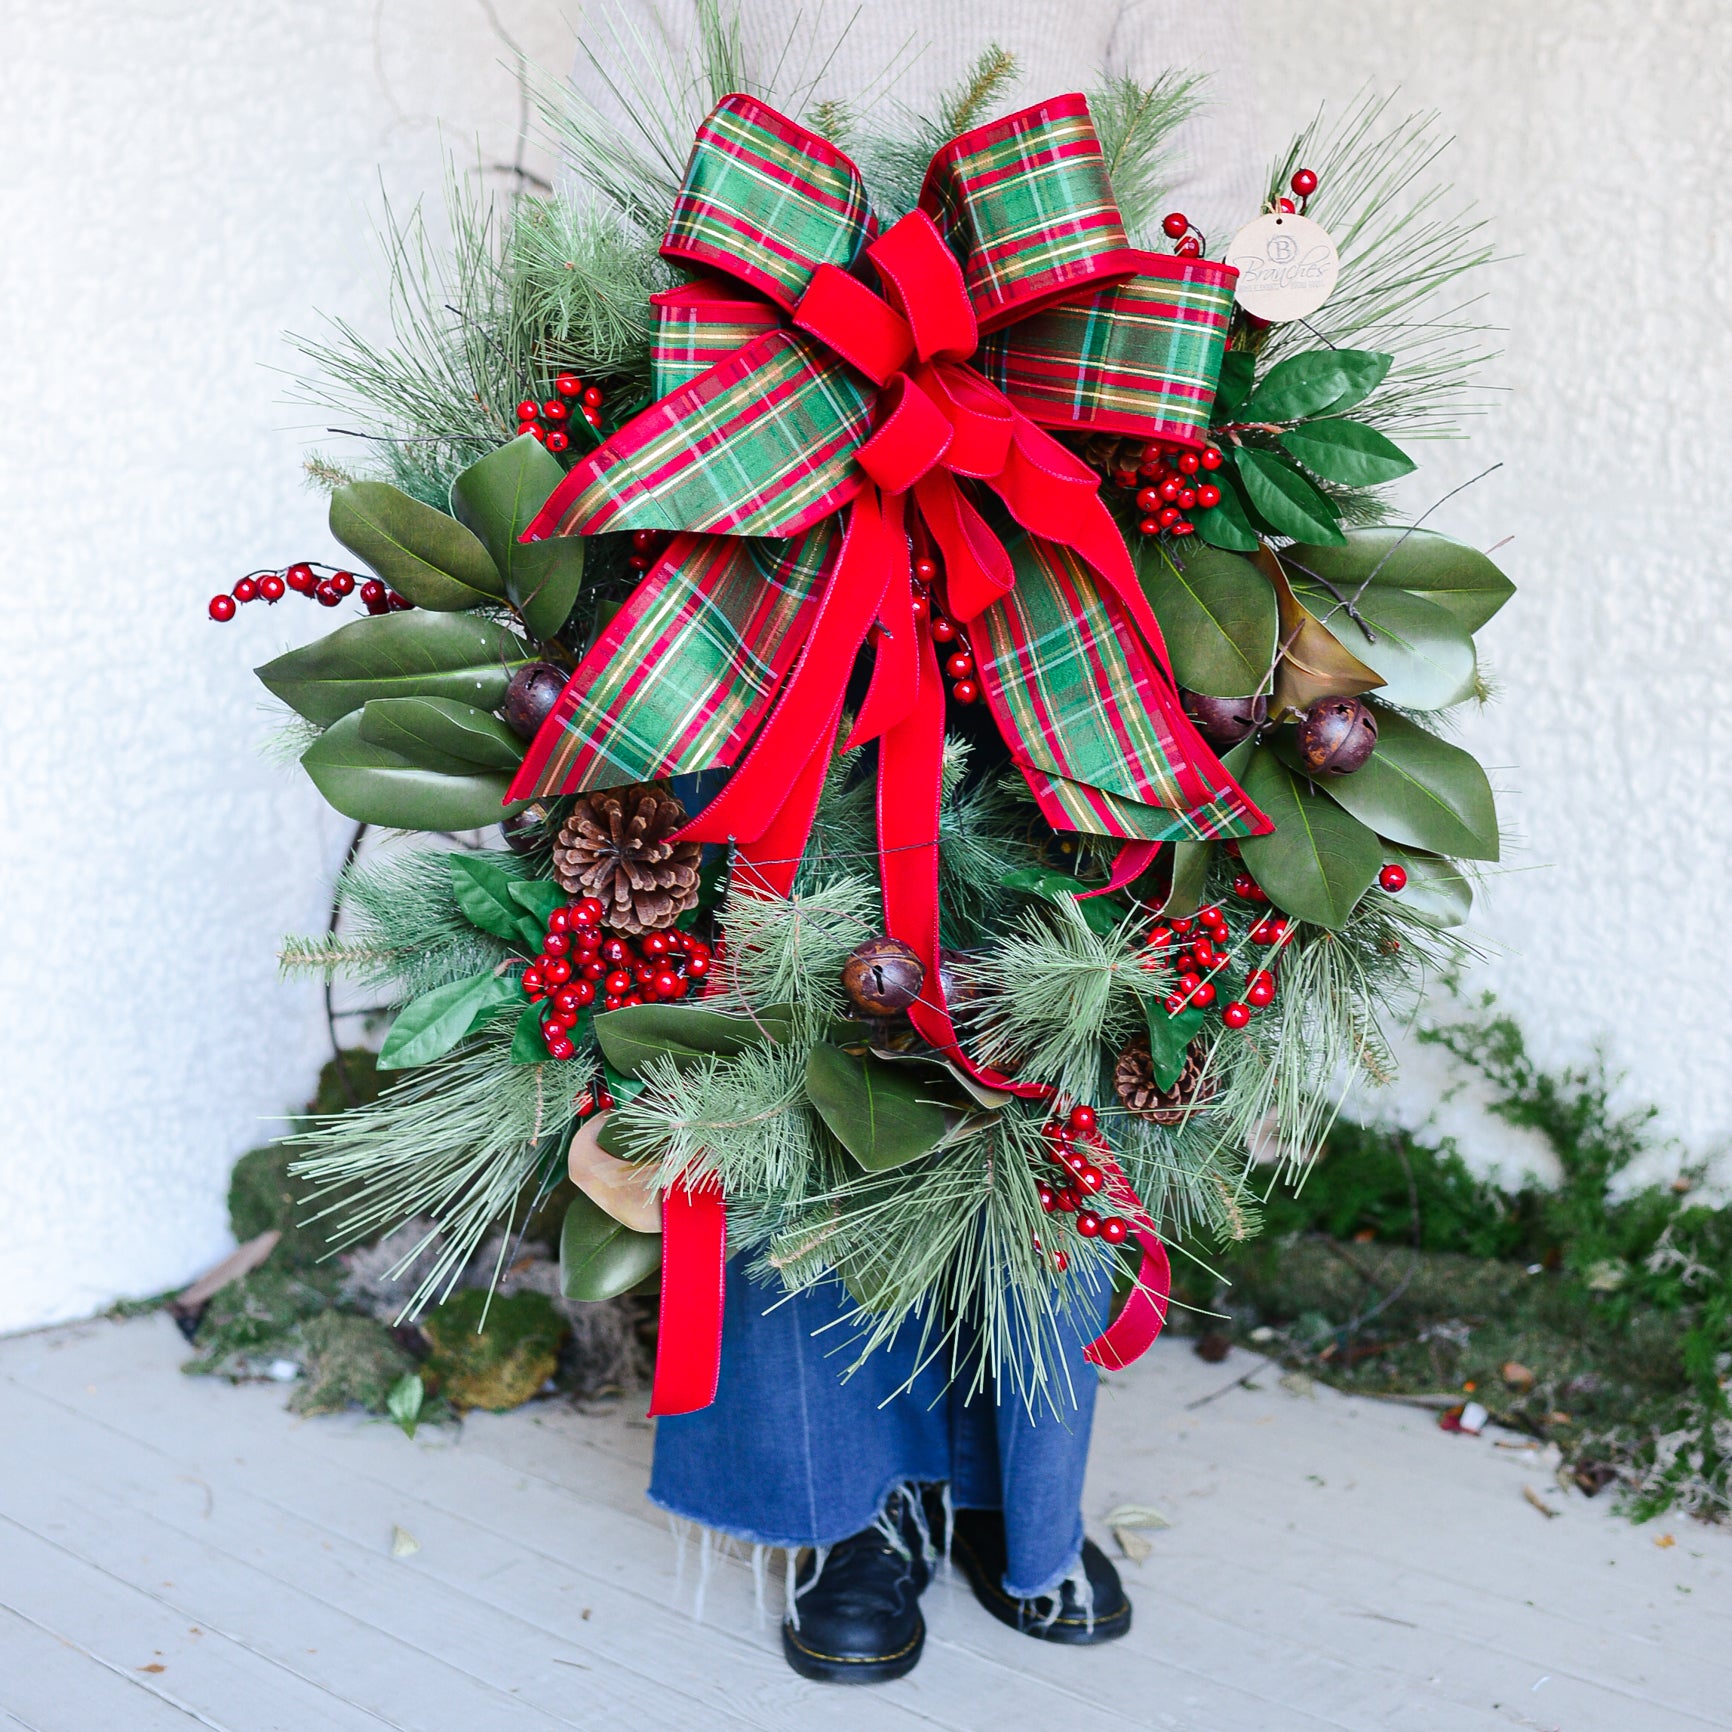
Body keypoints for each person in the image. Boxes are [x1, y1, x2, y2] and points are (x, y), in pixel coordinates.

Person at [566, 0, 1252, 1685]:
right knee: (786, 1055)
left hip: (1022, 497)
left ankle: (1023, 1501)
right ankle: (847, 1503)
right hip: (798, 498)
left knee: (1063, 1042)